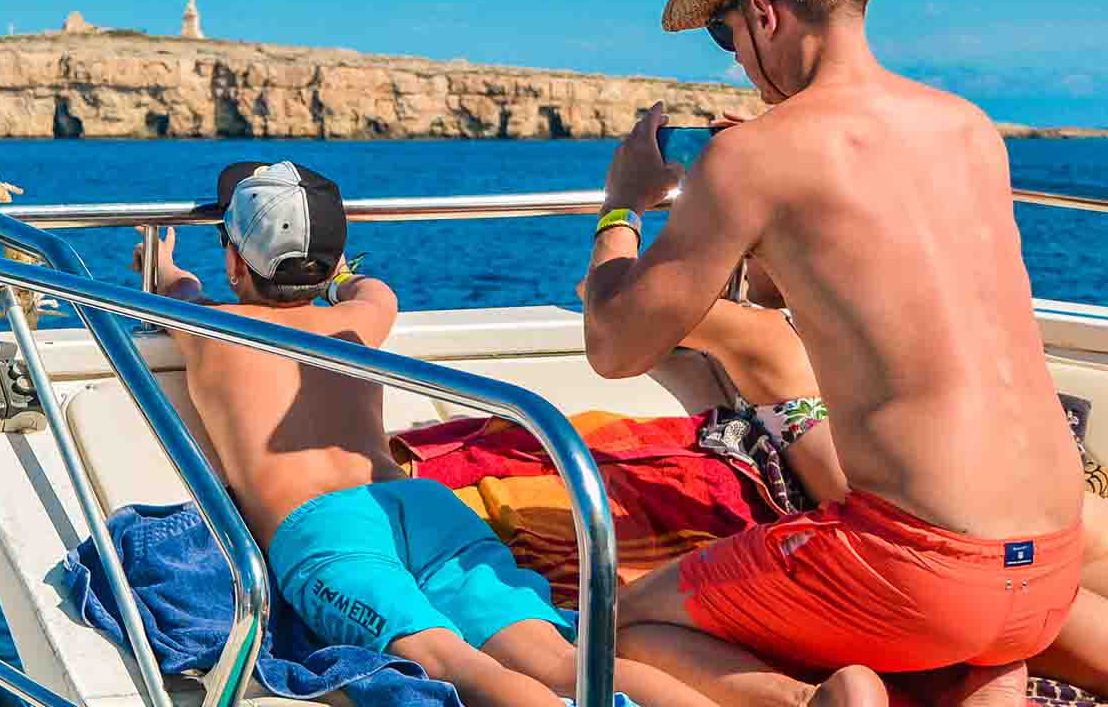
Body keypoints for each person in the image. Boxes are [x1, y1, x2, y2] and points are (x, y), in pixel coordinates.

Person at [578, 0, 1085, 707]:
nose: (736, 61)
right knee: (966, 631)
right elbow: (821, 292)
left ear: (765, 14)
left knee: (615, 627)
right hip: (1047, 570)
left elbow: (613, 348)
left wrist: (623, 208)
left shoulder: (755, 158)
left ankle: (817, 703)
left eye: (726, 34)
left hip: (919, 573)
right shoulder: (970, 128)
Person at [136, 160, 720, 707]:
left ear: (235, 263)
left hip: (323, 527)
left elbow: (176, 288)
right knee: (565, 659)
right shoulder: (356, 318)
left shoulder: (209, 325)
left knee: (450, 661)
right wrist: (338, 277)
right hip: (416, 505)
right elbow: (373, 289)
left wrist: (162, 268)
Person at [673, 257, 1108, 698]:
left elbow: (623, 316)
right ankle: (995, 676)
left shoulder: (767, 335)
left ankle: (993, 676)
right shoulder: (917, 330)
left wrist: (624, 214)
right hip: (1012, 518)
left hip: (922, 541)